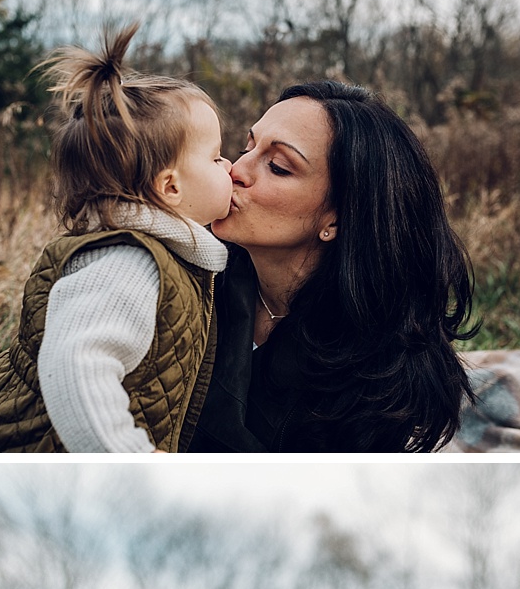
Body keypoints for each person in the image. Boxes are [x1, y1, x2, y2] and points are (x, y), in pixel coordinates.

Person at [0, 27, 231, 453]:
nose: (229, 165)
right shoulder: (129, 265)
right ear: (170, 187)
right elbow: (76, 366)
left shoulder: (160, 257)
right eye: (215, 157)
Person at [187, 81, 473, 453]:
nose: (235, 170)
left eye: (277, 166)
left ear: (336, 219)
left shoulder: (378, 377)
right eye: (246, 147)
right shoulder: (192, 275)